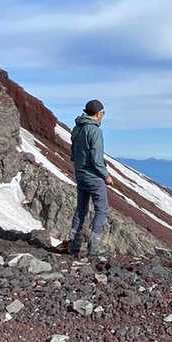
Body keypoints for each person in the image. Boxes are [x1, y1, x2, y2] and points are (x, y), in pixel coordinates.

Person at [68, 99, 109, 257]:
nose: (103, 115)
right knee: (101, 209)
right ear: (98, 113)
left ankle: (73, 243)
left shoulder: (77, 128)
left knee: (81, 209)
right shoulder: (95, 131)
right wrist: (106, 176)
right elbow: (96, 158)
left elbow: (73, 153)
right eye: (103, 113)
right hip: (93, 176)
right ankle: (94, 246)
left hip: (80, 174)